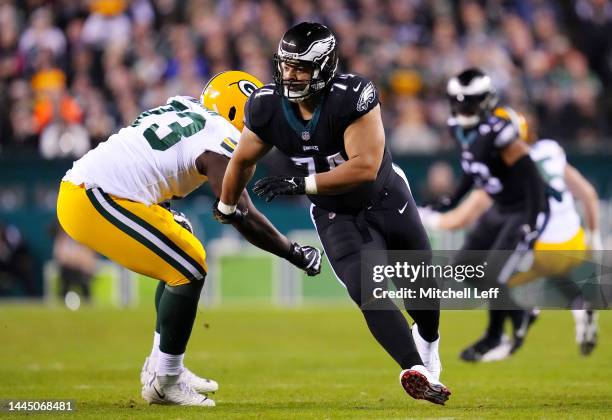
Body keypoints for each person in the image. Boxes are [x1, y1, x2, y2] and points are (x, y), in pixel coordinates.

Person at [213, 22, 450, 405]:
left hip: (386, 199)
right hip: (335, 214)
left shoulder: (351, 95)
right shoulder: (266, 104)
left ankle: (428, 345)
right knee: (366, 291)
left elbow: (364, 167)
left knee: (422, 295)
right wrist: (226, 204)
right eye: (286, 66)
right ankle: (415, 369)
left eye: (301, 67)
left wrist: (302, 183)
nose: (290, 75)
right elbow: (241, 160)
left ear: (324, 66)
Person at [56, 70, 322, 407]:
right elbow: (238, 212)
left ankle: (163, 366)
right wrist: (294, 253)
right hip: (93, 196)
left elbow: (147, 160)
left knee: (183, 242)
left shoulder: (183, 108)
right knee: (190, 264)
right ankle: (165, 380)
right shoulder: (222, 134)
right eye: (259, 113)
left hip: (94, 191)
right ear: (236, 112)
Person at [420, 109, 602, 357]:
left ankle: (511, 329)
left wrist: (426, 217)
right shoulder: (551, 150)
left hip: (540, 250)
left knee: (490, 279)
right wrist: (594, 237)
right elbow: (588, 194)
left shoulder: (505, 166)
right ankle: (578, 304)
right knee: (552, 272)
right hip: (574, 242)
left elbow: (461, 218)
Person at [434, 68, 550, 362]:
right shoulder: (458, 128)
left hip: (522, 209)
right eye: (458, 102)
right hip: (499, 208)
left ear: (484, 101)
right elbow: (472, 168)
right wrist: (451, 199)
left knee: (494, 274)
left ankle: (494, 336)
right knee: (464, 268)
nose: (462, 108)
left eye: (469, 102)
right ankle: (519, 312)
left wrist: (533, 221)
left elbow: (533, 178)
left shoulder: (500, 131)